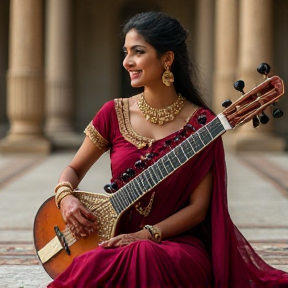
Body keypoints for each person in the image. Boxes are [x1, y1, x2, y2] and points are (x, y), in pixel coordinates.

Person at [48, 11, 288, 288]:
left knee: (144, 255)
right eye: (125, 52)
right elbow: (74, 169)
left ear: (167, 59)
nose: (127, 62)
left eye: (138, 52)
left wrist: (146, 235)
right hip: (114, 241)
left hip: (174, 245)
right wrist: (66, 198)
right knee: (103, 261)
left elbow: (199, 209)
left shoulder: (203, 125)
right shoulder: (113, 113)